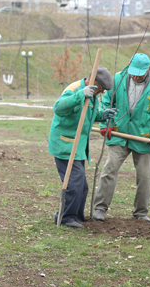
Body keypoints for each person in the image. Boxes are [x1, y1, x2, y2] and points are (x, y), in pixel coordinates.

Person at [93, 53, 150, 222]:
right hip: (118, 132)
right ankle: (99, 208)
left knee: (145, 176)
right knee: (109, 170)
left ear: (148, 69)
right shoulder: (118, 79)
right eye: (133, 72)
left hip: (144, 138)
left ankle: (141, 212)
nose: (135, 76)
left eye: (140, 74)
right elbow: (107, 102)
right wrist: (105, 124)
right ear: (129, 65)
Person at [49, 66, 116, 228]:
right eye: (102, 88)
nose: (102, 92)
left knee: (82, 186)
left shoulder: (93, 95)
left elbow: (88, 114)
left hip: (78, 146)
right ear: (95, 82)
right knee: (75, 182)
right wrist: (80, 95)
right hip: (65, 144)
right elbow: (58, 108)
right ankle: (65, 217)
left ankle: (76, 216)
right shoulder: (75, 89)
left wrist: (103, 114)